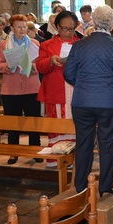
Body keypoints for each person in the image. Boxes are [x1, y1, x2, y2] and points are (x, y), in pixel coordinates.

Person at [63, 4, 113, 195]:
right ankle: (105, 186)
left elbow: (68, 73)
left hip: (82, 102)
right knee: (107, 143)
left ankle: (80, 187)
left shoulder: (79, 45)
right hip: (108, 103)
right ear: (112, 25)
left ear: (93, 21)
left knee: (83, 142)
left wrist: (84, 86)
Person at [0, 14, 42, 165]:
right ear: (12, 28)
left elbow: (40, 63)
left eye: (24, 27)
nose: (22, 29)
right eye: (18, 27)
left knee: (33, 121)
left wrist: (32, 66)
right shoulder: (4, 44)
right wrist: (6, 67)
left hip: (31, 87)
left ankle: (35, 150)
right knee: (12, 122)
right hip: (11, 89)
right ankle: (13, 152)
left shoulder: (34, 43)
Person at [37, 11, 80, 168]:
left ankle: (74, 159)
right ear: (56, 27)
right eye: (64, 28)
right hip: (56, 91)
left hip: (76, 91)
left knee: (75, 125)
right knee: (57, 126)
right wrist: (51, 61)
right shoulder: (47, 45)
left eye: (71, 29)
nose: (68, 32)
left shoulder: (81, 44)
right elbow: (40, 67)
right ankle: (56, 159)